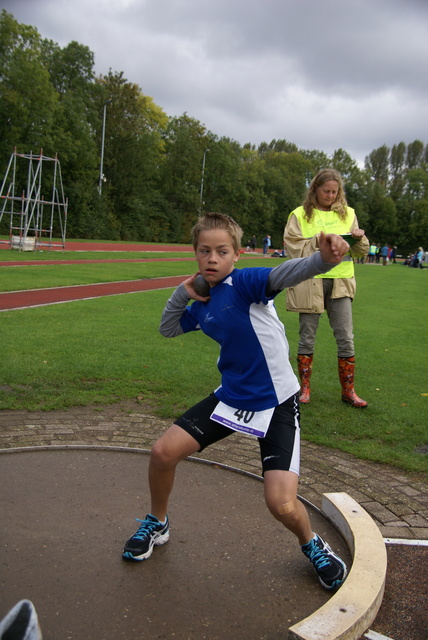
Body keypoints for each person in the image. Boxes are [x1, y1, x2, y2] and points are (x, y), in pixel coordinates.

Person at [122, 212, 349, 591]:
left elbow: (284, 274)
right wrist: (184, 292)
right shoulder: (205, 300)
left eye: (222, 251)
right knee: (162, 453)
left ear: (237, 254)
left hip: (276, 402)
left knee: (281, 504)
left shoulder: (245, 283)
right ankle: (157, 522)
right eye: (204, 251)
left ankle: (313, 545)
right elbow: (168, 327)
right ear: (195, 254)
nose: (212, 259)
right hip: (230, 399)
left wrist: (323, 261)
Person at [283, 168, 369, 408]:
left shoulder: (349, 214)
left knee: (345, 338)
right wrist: (317, 242)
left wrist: (359, 237)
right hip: (310, 280)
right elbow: (291, 247)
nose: (331, 196)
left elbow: (360, 251)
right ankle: (304, 389)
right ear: (315, 190)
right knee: (307, 338)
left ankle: (348, 391)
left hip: (341, 281)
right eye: (326, 191)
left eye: (335, 191)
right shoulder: (300, 215)